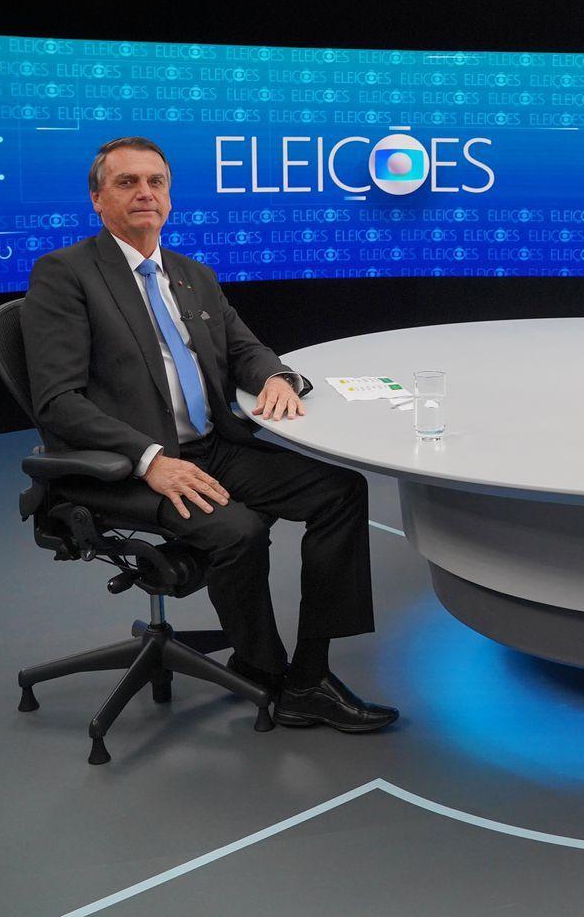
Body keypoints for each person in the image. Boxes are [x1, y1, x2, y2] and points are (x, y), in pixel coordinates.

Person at [21, 136, 397, 733]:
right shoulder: (65, 275)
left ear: (169, 195)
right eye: (126, 183)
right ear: (97, 199)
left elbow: (244, 347)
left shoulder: (193, 275)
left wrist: (274, 375)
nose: (145, 193)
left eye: (156, 182)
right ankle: (265, 672)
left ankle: (309, 677)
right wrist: (149, 461)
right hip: (126, 465)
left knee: (340, 491)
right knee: (238, 530)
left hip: (210, 445)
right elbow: (58, 403)